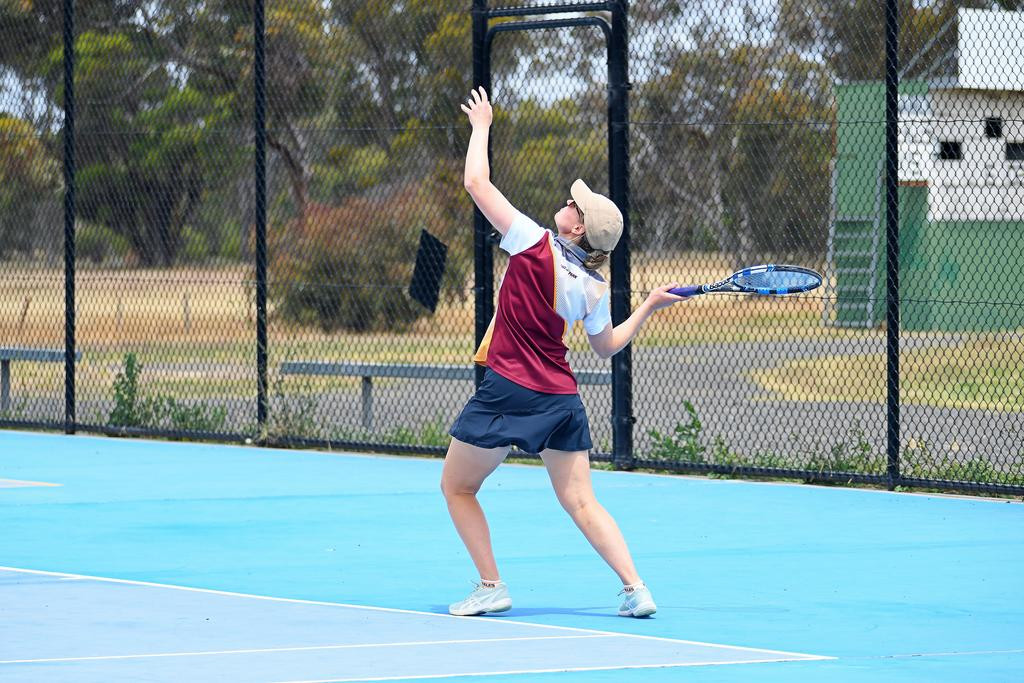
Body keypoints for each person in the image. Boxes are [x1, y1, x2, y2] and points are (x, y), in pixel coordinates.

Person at [441, 87, 685, 618]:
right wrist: (646, 307)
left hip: (509, 388)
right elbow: (604, 348)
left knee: (456, 486)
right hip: (561, 399)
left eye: (577, 206)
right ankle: (635, 589)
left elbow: (475, 182)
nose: (570, 203)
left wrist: (482, 125)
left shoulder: (533, 241)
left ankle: (491, 585)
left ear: (576, 228)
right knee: (580, 500)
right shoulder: (595, 288)